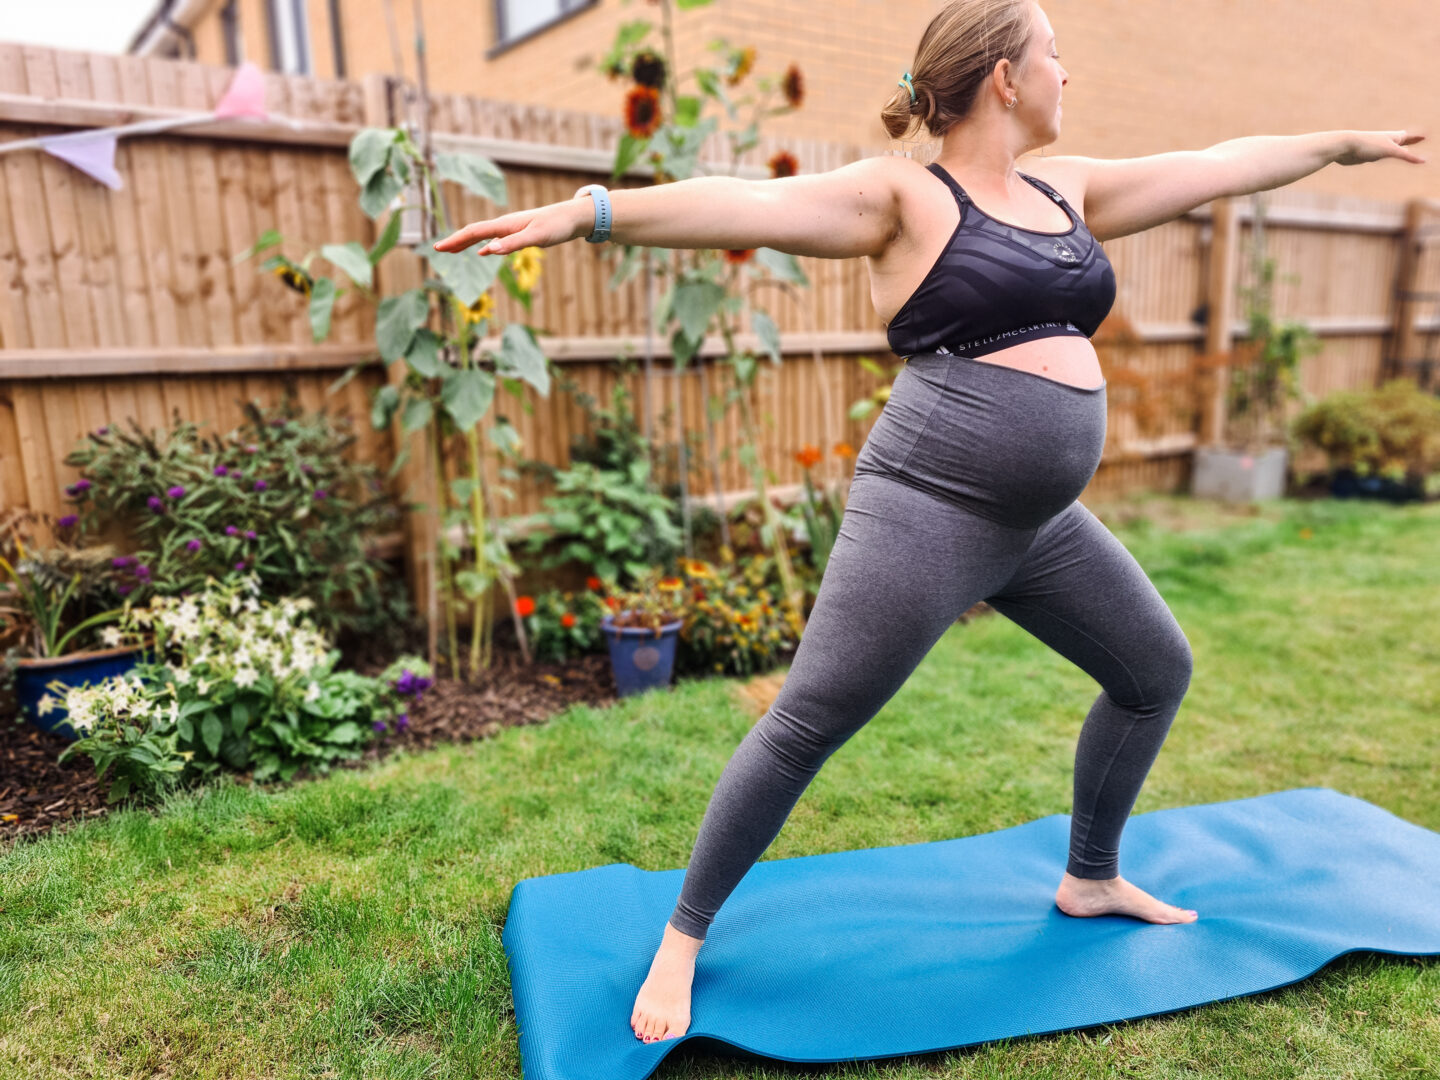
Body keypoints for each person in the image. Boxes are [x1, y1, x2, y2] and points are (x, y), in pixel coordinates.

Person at [434, 0, 1426, 1047]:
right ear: (1005, 77)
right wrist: (590, 210)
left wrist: (1339, 144)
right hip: (931, 506)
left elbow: (1220, 162)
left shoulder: (1070, 187)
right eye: (1055, 55)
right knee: (811, 720)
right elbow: (741, 204)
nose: (1067, 75)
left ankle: (1092, 877)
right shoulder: (902, 196)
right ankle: (683, 935)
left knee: (1153, 671)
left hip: (1038, 520)